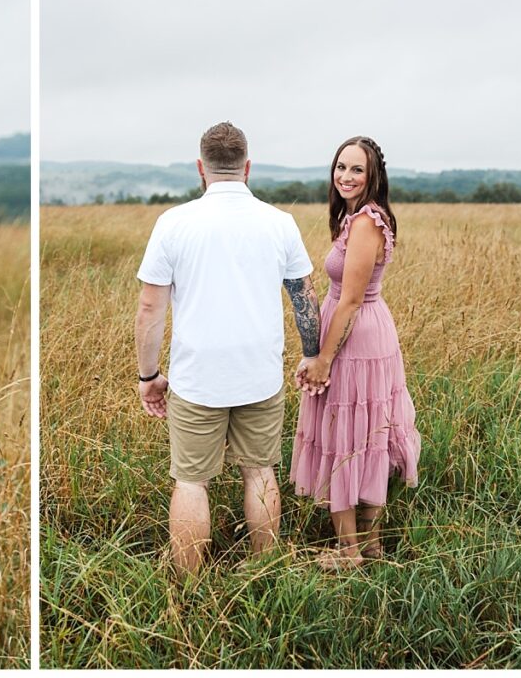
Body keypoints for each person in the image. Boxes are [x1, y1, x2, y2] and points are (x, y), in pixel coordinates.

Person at [135, 121, 324, 576]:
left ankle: (188, 583)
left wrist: (148, 377)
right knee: (260, 472)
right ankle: (265, 570)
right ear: (247, 168)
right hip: (259, 373)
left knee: (191, 480)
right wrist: (313, 354)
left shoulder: (173, 223)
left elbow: (149, 309)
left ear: (201, 168)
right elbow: (305, 298)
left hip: (197, 378)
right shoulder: (280, 222)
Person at [290, 135, 421, 570]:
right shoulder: (357, 218)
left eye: (356, 169)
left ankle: (351, 553)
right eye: (340, 167)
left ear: (373, 176)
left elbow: (349, 299)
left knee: (349, 436)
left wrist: (323, 358)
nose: (345, 176)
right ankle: (369, 546)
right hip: (359, 331)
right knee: (362, 433)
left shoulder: (366, 222)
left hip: (356, 337)